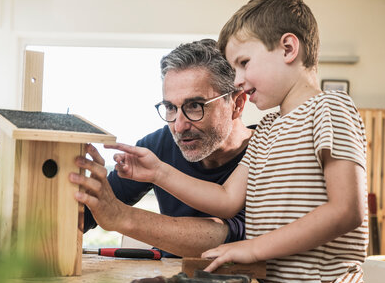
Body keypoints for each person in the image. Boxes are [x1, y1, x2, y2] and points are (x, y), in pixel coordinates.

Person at [107, 0, 371, 283]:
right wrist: (157, 173)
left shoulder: (330, 110)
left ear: (288, 49)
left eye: (244, 63)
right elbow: (226, 199)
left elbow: (346, 211)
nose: (240, 80)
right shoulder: (268, 131)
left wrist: (253, 247)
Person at [69, 39, 254, 257]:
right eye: (170, 107)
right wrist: (85, 189)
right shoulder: (157, 146)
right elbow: (89, 214)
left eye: (195, 106)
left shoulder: (269, 149)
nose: (179, 126)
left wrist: (122, 216)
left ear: (237, 104)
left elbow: (236, 237)